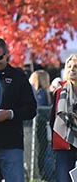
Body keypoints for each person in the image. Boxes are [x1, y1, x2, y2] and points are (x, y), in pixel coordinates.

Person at [0, 37, 37, 182]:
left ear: (7, 54)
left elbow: (31, 109)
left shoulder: (18, 77)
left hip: (11, 142)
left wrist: (10, 114)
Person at [53, 54, 77, 182]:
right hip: (65, 144)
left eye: (76, 67)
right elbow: (54, 119)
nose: (72, 69)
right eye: (69, 67)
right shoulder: (60, 91)